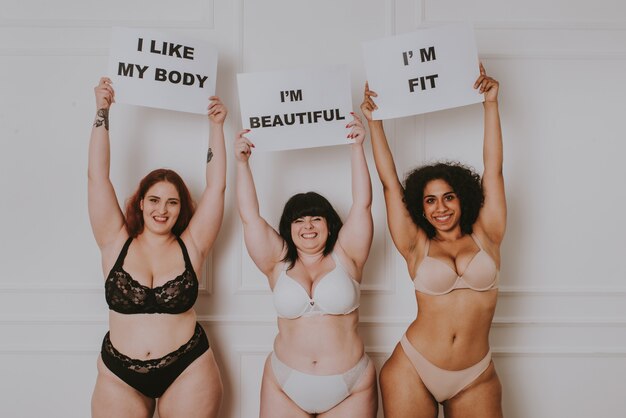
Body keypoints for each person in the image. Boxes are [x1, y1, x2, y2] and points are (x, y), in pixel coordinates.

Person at [360, 63, 505, 418]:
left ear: (464, 199)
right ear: (420, 209)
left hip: (475, 374)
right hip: (413, 368)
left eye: (449, 197)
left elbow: (494, 169)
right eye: (430, 200)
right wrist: (374, 122)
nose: (440, 207)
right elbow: (390, 184)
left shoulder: (488, 234)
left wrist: (490, 104)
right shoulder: (415, 245)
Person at [89, 77, 226, 418]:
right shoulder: (114, 240)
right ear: (139, 203)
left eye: (172, 202)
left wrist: (216, 126)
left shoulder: (192, 245)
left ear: (182, 209)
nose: (161, 210)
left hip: (187, 369)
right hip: (119, 375)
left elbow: (217, 187)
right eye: (153, 200)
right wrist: (102, 110)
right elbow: (96, 176)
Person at [234, 114, 378, 417]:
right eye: (299, 220)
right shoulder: (277, 262)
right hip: (285, 383)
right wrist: (242, 164)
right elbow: (249, 217)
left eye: (316, 218)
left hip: (350, 385)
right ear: (288, 228)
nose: (308, 226)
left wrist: (357, 148)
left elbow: (363, 203)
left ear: (329, 224)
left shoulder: (348, 256)